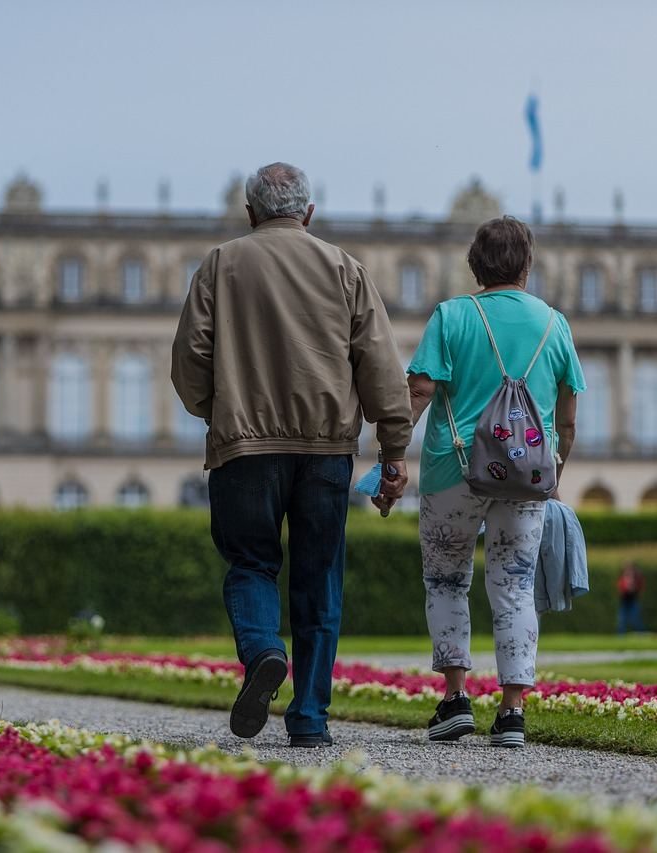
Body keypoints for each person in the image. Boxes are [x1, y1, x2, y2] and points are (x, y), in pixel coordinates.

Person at [172, 162, 413, 748]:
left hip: (244, 448)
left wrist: (219, 411)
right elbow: (380, 366)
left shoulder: (221, 264)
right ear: (308, 213)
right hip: (326, 449)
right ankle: (309, 717)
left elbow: (188, 363)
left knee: (251, 563)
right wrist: (394, 449)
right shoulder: (343, 268)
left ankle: (261, 652)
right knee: (318, 576)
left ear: (250, 212)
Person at [374, 216, 584, 748]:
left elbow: (418, 393)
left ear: (475, 265)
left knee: (446, 582)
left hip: (453, 469)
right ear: (528, 265)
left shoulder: (451, 316)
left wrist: (392, 456)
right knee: (514, 588)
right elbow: (568, 416)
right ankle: (512, 714)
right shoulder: (554, 323)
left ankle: (455, 700)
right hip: (527, 475)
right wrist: (553, 473)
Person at [617, 563, 645, 633]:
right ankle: (620, 635)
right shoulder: (623, 579)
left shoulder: (636, 579)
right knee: (622, 620)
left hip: (633, 601)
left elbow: (640, 588)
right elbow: (620, 589)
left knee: (635, 619)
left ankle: (641, 633)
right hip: (624, 602)